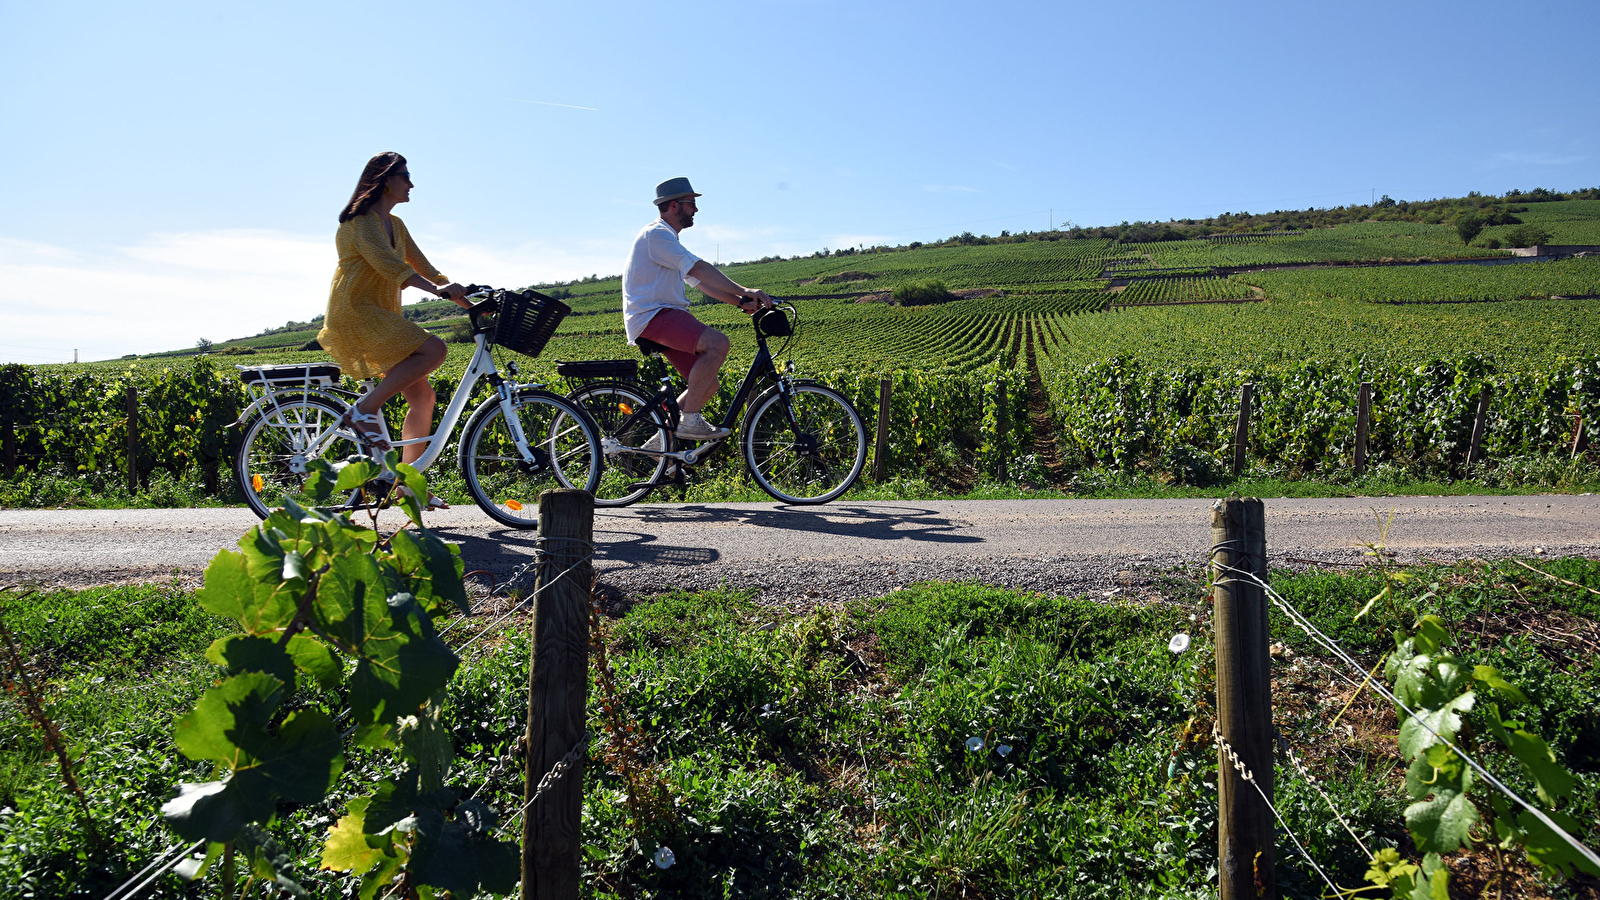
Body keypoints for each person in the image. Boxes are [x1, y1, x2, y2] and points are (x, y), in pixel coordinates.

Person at [317, 152, 468, 506]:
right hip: (355, 312)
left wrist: (467, 299)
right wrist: (437, 291)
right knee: (435, 349)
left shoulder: (395, 225)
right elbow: (389, 267)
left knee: (424, 397)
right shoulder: (359, 222)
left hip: (380, 315)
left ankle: (406, 485)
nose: (411, 184)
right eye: (406, 176)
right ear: (386, 179)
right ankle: (363, 410)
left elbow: (425, 267)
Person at [622, 177, 775, 441]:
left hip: (661, 317)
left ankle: (662, 447)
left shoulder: (667, 239)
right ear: (673, 206)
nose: (696, 209)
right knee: (717, 343)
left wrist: (739, 301)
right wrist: (745, 290)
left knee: (707, 384)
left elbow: (701, 283)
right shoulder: (656, 234)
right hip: (653, 316)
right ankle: (689, 422)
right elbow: (699, 268)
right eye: (691, 203)